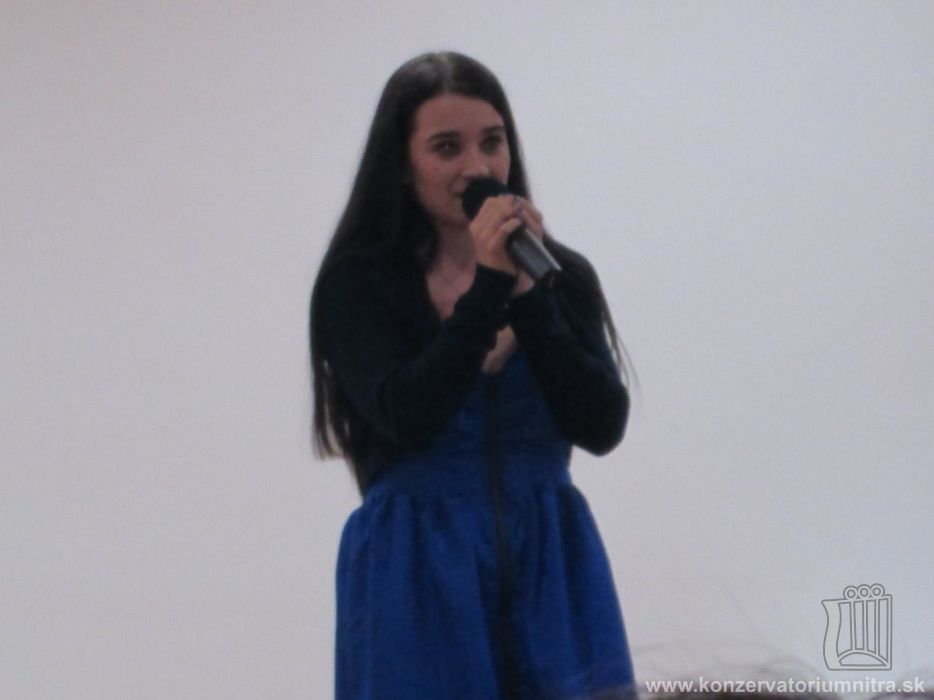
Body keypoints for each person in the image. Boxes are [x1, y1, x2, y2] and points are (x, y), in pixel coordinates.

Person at [309, 51, 636, 700]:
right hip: (419, 564)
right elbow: (409, 415)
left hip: (551, 555)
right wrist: (488, 288)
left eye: (492, 142)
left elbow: (601, 424)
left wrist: (528, 295)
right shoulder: (358, 284)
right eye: (446, 148)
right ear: (402, 164)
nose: (478, 167)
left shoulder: (558, 275)